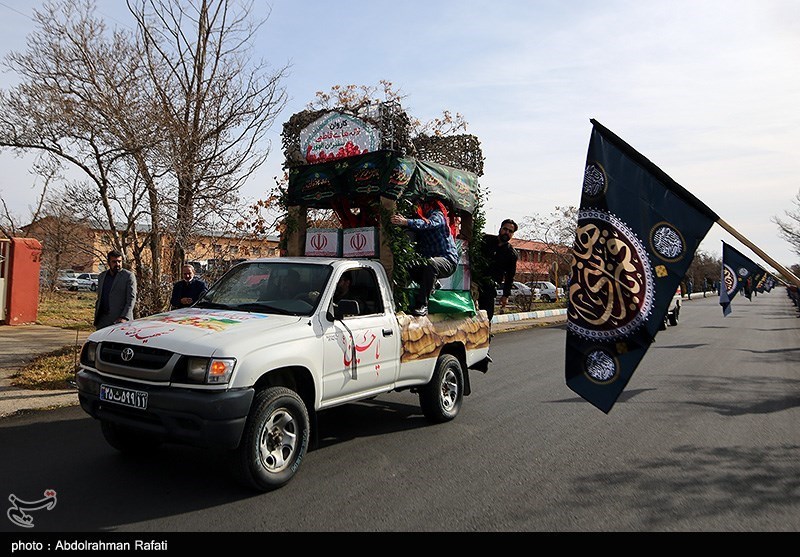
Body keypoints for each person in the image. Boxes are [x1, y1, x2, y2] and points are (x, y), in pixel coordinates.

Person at [391, 199, 458, 317]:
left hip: (447, 261)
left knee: (430, 264)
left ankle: (422, 304)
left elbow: (429, 224)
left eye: (422, 205)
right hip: (428, 263)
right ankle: (397, 300)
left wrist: (406, 222)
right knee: (408, 266)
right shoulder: (417, 221)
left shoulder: (438, 215)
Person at [478, 219, 519, 322]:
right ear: (500, 229)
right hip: (474, 284)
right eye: (505, 229)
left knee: (486, 319)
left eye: (510, 231)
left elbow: (510, 276)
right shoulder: (485, 240)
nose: (507, 232)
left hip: (490, 289)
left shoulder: (511, 254)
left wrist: (505, 295)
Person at [94, 249, 137, 329]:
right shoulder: (102, 276)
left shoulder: (128, 276)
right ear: (109, 262)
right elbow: (99, 298)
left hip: (120, 320)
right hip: (102, 320)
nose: (117, 264)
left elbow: (131, 299)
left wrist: (124, 317)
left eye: (119, 261)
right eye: (114, 262)